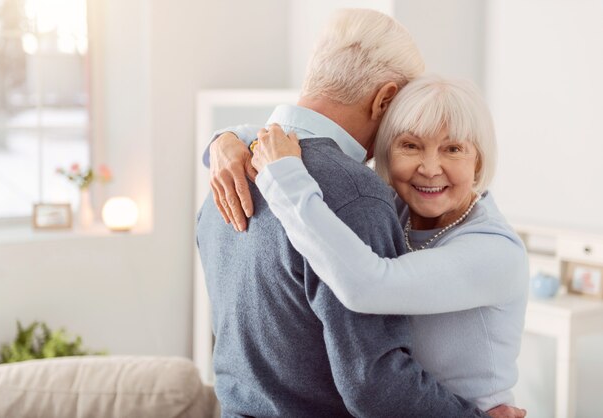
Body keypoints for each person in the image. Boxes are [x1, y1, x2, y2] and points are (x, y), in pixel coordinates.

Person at [199, 7, 524, 418]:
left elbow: (369, 285)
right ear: (385, 100)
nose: (429, 166)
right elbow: (373, 383)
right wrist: (225, 139)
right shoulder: (359, 194)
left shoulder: (225, 182)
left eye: (453, 148)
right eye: (409, 142)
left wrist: (228, 143)